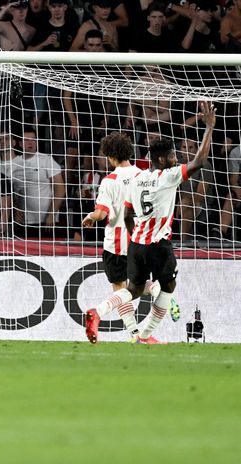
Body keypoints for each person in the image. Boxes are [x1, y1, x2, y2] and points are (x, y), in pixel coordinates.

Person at [86, 102, 215, 345]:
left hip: (136, 244)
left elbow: (126, 215)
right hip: (158, 244)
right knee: (168, 286)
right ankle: (145, 335)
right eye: (174, 156)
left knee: (132, 289)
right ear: (164, 159)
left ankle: (99, 311)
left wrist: (137, 236)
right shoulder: (168, 176)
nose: (177, 159)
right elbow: (200, 161)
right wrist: (208, 128)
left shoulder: (138, 180)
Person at [80, 132, 167, 344]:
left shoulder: (109, 181)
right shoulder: (144, 175)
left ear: (110, 157)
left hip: (115, 245)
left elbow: (101, 213)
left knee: (121, 290)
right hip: (140, 240)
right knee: (136, 285)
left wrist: (90, 217)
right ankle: (156, 293)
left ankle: (132, 330)